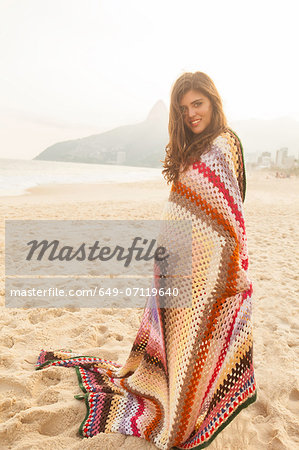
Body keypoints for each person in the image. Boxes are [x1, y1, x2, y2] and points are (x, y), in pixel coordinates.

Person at [36, 71, 257, 449]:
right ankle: (178, 399)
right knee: (175, 341)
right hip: (174, 262)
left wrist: (230, 264)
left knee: (197, 340)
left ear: (213, 102)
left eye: (197, 104)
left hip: (209, 268)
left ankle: (188, 408)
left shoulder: (223, 143)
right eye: (183, 107)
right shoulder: (191, 148)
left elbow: (229, 213)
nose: (190, 113)